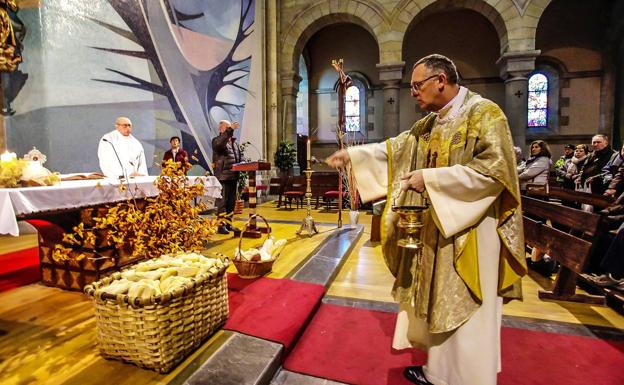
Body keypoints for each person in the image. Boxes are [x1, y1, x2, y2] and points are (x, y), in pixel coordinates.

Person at [326, 54, 526, 385]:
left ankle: (468, 378)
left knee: (466, 303)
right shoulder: (430, 124)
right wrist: (353, 155)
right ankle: (438, 372)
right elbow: (396, 149)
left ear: (441, 81)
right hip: (438, 229)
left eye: (417, 85)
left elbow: (496, 172)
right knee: (436, 299)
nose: (413, 93)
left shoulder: (485, 115)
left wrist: (431, 180)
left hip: (472, 231)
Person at [211, 119, 241, 234]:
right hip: (223, 177)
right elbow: (220, 144)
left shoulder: (234, 143)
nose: (230, 130)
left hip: (233, 177)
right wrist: (230, 130)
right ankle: (221, 226)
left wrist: (243, 164)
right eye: (228, 127)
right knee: (222, 203)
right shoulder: (217, 141)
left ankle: (228, 224)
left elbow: (239, 157)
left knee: (231, 204)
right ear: (221, 128)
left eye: (230, 128)